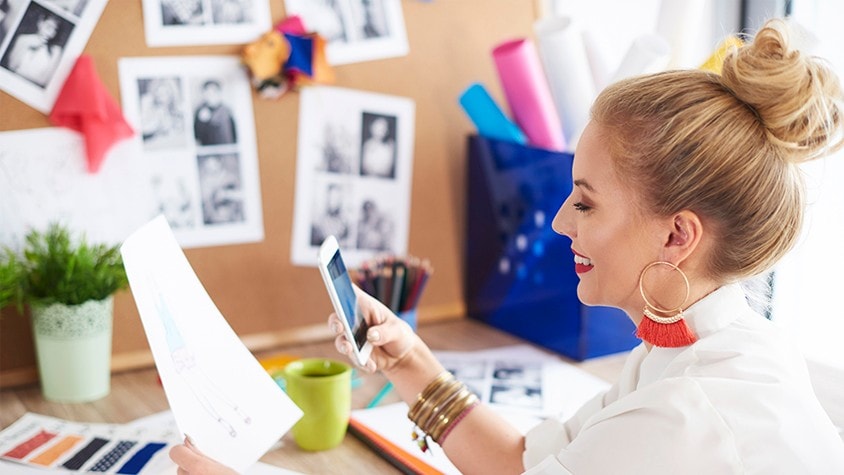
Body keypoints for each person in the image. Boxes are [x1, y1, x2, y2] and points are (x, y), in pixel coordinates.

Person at [169, 19, 844, 474]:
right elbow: (525, 462)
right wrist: (414, 366)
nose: (558, 221)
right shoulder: (698, 351)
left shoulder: (685, 418)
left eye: (584, 199)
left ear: (677, 235)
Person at [5, 12, 63, 87]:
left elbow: (44, 82)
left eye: (55, 30)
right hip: (12, 84)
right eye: (48, 27)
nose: (50, 33)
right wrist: (26, 45)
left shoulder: (56, 51)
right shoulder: (23, 39)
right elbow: (11, 66)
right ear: (41, 23)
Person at [194, 80, 237, 146]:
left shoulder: (227, 110)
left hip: (226, 150)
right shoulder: (200, 111)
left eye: (214, 91)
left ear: (218, 92)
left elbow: (234, 134)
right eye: (208, 92)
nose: (211, 94)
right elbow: (197, 136)